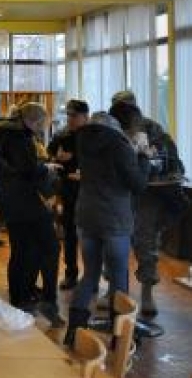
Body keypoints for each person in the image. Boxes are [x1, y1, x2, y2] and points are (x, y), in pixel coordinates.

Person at [64, 109, 149, 346]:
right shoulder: (119, 145)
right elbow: (138, 184)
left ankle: (74, 330)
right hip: (114, 219)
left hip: (87, 216)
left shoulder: (83, 140)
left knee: (90, 274)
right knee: (118, 276)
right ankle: (120, 337)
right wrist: (142, 155)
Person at [111, 90, 186, 317]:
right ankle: (114, 290)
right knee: (114, 241)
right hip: (119, 194)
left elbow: (171, 160)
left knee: (145, 241)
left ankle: (146, 291)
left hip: (148, 194)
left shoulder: (152, 129)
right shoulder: (109, 130)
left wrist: (149, 156)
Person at [0, 102, 64, 327]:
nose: (42, 128)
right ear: (33, 121)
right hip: (25, 201)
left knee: (23, 250)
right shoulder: (19, 137)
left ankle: (21, 297)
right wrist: (49, 169)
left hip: (8, 200)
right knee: (50, 247)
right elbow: (30, 171)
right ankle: (47, 299)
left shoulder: (0, 131)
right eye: (42, 124)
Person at [47, 99, 90, 290]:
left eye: (74, 116)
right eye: (68, 115)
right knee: (70, 235)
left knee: (90, 237)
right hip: (69, 191)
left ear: (85, 116)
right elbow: (49, 153)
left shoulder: (95, 135)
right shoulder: (62, 134)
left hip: (91, 192)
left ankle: (91, 276)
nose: (70, 119)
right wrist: (57, 157)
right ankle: (71, 273)